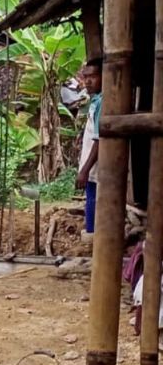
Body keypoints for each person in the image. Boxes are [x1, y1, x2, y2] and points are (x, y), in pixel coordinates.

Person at [76, 59, 102, 236]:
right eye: (86, 77)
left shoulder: (102, 102)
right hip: (91, 166)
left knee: (93, 200)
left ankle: (93, 236)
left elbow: (99, 139)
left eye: (93, 76)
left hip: (96, 166)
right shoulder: (95, 101)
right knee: (91, 199)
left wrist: (84, 170)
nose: (88, 81)